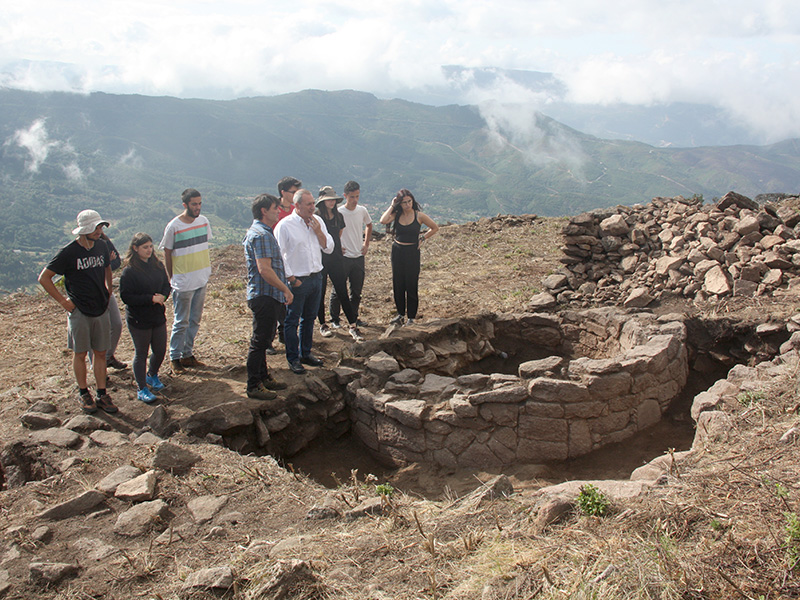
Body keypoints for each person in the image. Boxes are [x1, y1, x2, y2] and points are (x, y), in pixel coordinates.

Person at [38, 209, 119, 414]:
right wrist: (63, 302)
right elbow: (44, 278)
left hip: (100, 307)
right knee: (80, 352)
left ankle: (102, 393)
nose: (100, 231)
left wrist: (108, 290)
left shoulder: (101, 246)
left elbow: (108, 267)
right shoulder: (69, 252)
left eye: (100, 227)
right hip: (80, 310)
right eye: (96, 227)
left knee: (100, 352)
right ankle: (84, 392)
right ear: (84, 230)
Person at [274, 189, 334, 374]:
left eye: (313, 204)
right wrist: (292, 280)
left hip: (317, 277)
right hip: (298, 280)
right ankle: (293, 358)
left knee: (309, 318)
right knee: (292, 321)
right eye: (308, 204)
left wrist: (318, 232)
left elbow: (329, 248)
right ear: (297, 205)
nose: (312, 207)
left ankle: (305, 353)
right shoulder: (285, 226)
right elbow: (279, 256)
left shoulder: (318, 222)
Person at [243, 194, 293, 399]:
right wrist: (285, 289)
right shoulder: (261, 235)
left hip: (266, 294)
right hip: (265, 295)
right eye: (275, 208)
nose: (278, 211)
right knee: (260, 340)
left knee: (264, 338)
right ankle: (253, 385)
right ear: (264, 211)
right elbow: (265, 269)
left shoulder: (262, 232)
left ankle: (263, 377)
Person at [159, 188, 212, 373]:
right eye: (194, 204)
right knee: (181, 321)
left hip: (200, 279)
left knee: (195, 320)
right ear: (185, 205)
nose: (197, 207)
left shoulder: (204, 221)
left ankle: (187, 354)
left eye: (199, 203)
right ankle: (175, 357)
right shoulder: (174, 226)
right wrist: (171, 277)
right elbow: (167, 252)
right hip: (183, 282)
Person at [119, 233, 171, 403]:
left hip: (157, 316)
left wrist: (163, 296)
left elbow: (166, 285)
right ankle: (142, 388)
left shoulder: (157, 265)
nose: (149, 250)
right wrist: (150, 298)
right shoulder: (130, 271)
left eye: (150, 246)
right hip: (139, 319)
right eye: (145, 247)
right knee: (141, 353)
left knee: (160, 350)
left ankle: (152, 374)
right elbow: (127, 297)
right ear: (135, 248)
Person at [379, 189, 439, 326]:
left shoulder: (419, 216)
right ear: (400, 203)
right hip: (398, 251)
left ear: (413, 201)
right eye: (404, 202)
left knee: (411, 284)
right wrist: (392, 205)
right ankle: (400, 314)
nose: (407, 204)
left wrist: (423, 238)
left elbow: (435, 228)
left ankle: (411, 317)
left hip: (412, 251)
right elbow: (383, 220)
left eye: (409, 201)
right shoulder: (397, 214)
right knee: (398, 283)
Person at [314, 186, 363, 342]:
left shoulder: (338, 216)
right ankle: (323, 324)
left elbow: (338, 234)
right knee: (320, 293)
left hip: (336, 258)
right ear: (322, 201)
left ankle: (353, 325)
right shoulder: (316, 216)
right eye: (328, 199)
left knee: (342, 291)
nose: (331, 202)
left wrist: (336, 246)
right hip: (320, 259)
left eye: (333, 199)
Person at [331, 180, 372, 329]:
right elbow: (333, 231)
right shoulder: (339, 212)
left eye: (357, 196)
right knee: (338, 289)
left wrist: (366, 243)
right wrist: (337, 247)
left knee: (356, 291)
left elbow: (369, 224)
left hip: (358, 255)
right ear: (345, 196)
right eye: (352, 197)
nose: (355, 200)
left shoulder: (362, 210)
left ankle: (353, 317)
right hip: (343, 257)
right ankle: (334, 319)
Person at [269, 176, 302, 355]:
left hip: (293, 262)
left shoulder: (295, 211)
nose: (295, 195)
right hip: (275, 261)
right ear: (283, 192)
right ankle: (268, 339)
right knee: (273, 300)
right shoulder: (275, 212)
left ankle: (284, 333)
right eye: (293, 192)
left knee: (288, 300)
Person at [99, 231, 127, 370]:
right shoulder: (81, 247)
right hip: (92, 294)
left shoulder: (104, 241)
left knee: (116, 324)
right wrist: (107, 262)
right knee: (97, 331)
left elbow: (116, 262)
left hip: (106, 290)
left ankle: (108, 357)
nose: (99, 230)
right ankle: (98, 367)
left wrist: (107, 263)